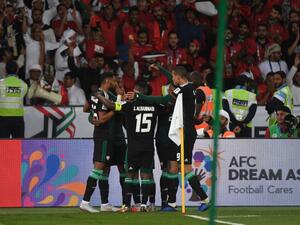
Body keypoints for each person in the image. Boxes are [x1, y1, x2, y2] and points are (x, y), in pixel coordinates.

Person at [135, 66, 210, 212]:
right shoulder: (188, 87)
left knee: (186, 168)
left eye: (174, 77)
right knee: (173, 166)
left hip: (186, 134)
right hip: (182, 132)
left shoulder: (184, 90)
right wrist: (161, 69)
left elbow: (164, 99)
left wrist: (141, 97)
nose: (172, 80)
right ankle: (172, 203)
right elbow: (173, 77)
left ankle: (205, 199)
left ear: (178, 77)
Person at [96, 81, 159, 212]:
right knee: (146, 175)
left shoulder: (129, 105)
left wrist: (100, 96)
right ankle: (143, 205)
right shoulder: (154, 105)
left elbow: (111, 105)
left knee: (130, 175)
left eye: (134, 91)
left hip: (133, 147)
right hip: (148, 146)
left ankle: (126, 205)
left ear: (138, 93)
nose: (131, 92)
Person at [80, 73, 119, 213]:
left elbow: (85, 109)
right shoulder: (105, 96)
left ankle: (105, 204)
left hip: (102, 135)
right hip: (104, 135)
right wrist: (115, 111)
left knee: (105, 170)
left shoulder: (94, 94)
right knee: (98, 168)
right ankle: (85, 202)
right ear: (107, 81)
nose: (115, 83)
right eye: (114, 80)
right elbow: (102, 119)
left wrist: (93, 114)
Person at [0, 60, 28, 138]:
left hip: (3, 118)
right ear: (17, 70)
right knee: (18, 145)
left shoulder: (1, 84)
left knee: (2, 145)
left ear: (5, 70)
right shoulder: (23, 85)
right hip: (18, 118)